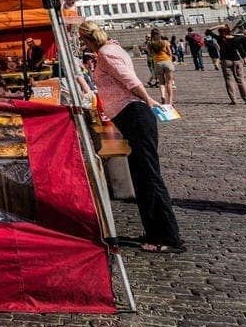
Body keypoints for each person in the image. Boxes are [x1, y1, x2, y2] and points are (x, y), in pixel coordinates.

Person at [77, 21, 184, 253]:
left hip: (135, 113)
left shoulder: (106, 53)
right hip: (130, 115)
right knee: (141, 174)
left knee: (148, 174)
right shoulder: (110, 49)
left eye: (81, 39)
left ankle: (168, 237)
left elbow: (130, 80)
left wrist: (149, 100)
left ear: (87, 39)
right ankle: (155, 231)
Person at [214, 25, 246, 105]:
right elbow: (241, 51)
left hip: (226, 61)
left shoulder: (220, 39)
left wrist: (219, 25)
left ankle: (234, 100)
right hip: (236, 60)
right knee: (240, 80)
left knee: (229, 80)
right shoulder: (235, 39)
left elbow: (208, 31)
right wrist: (245, 61)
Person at [143, 28, 175, 107]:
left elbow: (150, 54)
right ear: (159, 34)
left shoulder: (150, 44)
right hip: (167, 61)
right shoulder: (165, 42)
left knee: (161, 82)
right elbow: (170, 53)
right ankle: (170, 100)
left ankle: (163, 96)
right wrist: (170, 61)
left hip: (157, 63)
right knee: (169, 82)